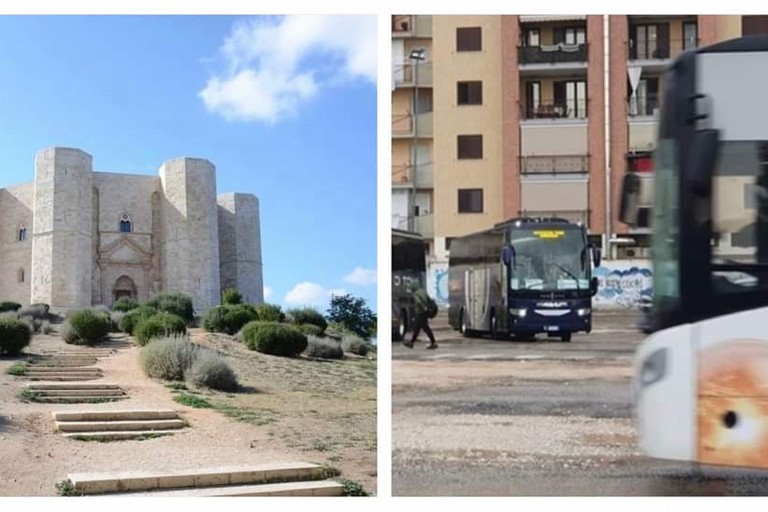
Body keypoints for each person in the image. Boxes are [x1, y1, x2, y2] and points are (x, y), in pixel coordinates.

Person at [403, 281, 437, 349]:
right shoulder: (423, 291)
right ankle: (411, 342)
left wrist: (423, 308)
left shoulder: (416, 293)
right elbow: (429, 299)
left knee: (426, 328)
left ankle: (433, 342)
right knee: (417, 328)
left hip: (421, 312)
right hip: (425, 312)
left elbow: (418, 302)